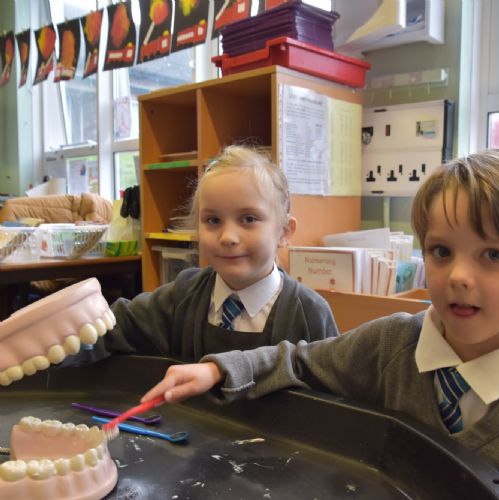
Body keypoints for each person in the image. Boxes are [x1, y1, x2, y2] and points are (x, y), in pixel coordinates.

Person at [140, 150, 499, 469]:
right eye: (441, 251)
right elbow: (300, 362)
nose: (459, 277)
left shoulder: (309, 309)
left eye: (493, 254)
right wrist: (217, 370)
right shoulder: (390, 342)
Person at [89, 144, 338, 362]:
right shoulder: (183, 296)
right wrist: (77, 328)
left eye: (248, 219)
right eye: (213, 220)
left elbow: (332, 389)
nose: (227, 237)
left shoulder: (309, 314)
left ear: (284, 231)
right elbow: (111, 330)